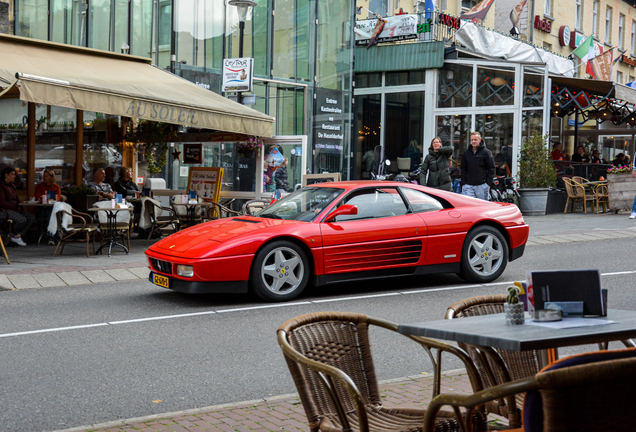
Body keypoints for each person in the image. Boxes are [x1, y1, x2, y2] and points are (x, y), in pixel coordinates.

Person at [0, 166, 35, 246]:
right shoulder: (1, 186)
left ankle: (17, 235)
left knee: (31, 217)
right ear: (6, 175)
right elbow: (2, 202)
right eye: (12, 174)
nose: (14, 176)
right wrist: (15, 208)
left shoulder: (12, 186)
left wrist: (21, 207)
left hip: (14, 208)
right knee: (21, 220)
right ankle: (12, 235)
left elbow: (17, 198)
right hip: (4, 210)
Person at [460, 131, 495, 200]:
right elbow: (463, 168)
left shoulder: (486, 152)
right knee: (468, 206)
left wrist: (488, 183)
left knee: (482, 207)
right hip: (468, 185)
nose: (473, 141)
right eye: (472, 140)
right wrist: (464, 183)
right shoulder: (466, 153)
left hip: (482, 185)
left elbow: (491, 168)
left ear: (480, 140)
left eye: (475, 140)